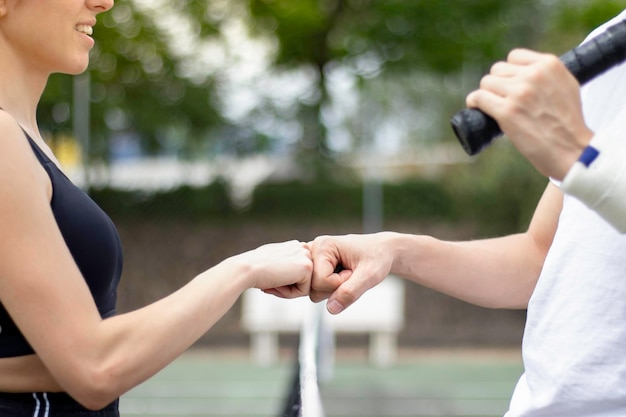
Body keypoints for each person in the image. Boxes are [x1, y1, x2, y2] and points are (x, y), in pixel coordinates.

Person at [0, 1, 312, 415]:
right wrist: (245, 269)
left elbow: (76, 358)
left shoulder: (24, 139)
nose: (103, 2)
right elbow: (96, 368)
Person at [309, 9, 626, 417]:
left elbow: (590, 170)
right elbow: (538, 256)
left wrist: (584, 160)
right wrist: (394, 250)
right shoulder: (611, 38)